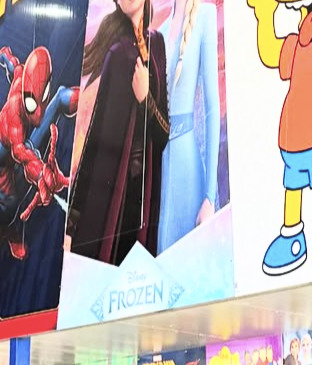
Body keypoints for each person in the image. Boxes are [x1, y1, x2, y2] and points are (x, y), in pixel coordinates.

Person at [66, 0, 169, 266]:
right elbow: (95, 139)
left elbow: (163, 135)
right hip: (111, 199)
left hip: (144, 198)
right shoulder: (117, 53)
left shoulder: (157, 44)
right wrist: (72, 223)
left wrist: (145, 99)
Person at [157, 0, 222, 255]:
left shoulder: (205, 15)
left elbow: (212, 108)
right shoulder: (160, 31)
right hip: (159, 172)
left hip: (188, 170)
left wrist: (209, 197)